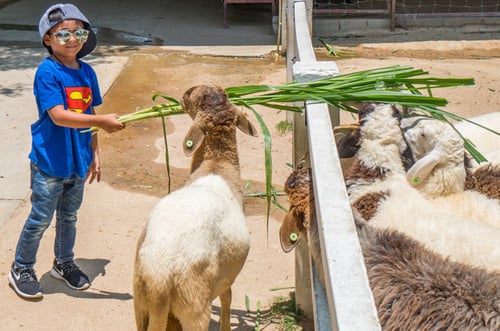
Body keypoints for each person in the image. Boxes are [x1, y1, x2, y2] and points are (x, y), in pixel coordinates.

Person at [8, 3, 125, 299]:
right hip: (51, 160)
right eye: (63, 34)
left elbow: (91, 112)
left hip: (78, 159)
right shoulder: (48, 71)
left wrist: (94, 153)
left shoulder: (87, 72)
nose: (72, 39)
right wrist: (101, 121)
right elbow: (59, 115)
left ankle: (63, 262)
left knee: (69, 216)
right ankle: (21, 267)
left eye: (78, 32)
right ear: (48, 39)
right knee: (41, 217)